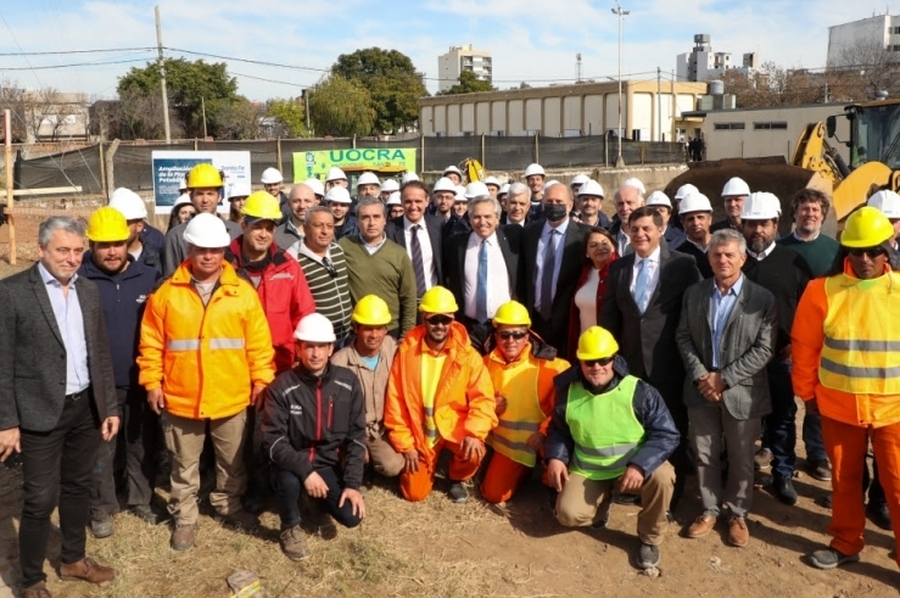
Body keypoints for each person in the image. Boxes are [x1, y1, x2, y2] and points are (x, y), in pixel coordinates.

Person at [138, 213, 275, 551]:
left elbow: (259, 342)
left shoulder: (241, 293)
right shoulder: (167, 294)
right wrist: (152, 383)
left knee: (232, 460)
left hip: (231, 394)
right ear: (189, 249)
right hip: (182, 396)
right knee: (183, 465)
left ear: (224, 251)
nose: (209, 256)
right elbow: (151, 342)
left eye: (215, 250)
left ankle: (229, 505)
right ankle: (185, 518)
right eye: (202, 249)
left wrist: (261, 380)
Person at [0, 216, 119, 598]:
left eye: (78, 251)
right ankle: (32, 578)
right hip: (38, 413)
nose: (71, 258)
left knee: (77, 487)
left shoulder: (87, 291)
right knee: (38, 499)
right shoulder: (13, 292)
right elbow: (2, 363)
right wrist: (7, 421)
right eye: (62, 250)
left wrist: (108, 406)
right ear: (40, 250)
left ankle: (72, 559)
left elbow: (98, 353)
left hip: (84, 408)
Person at [792, 206, 900, 570]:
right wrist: (808, 395)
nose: (866, 258)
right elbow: (805, 348)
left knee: (898, 486)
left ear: (889, 248)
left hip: (894, 410)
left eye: (874, 250)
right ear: (846, 252)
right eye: (857, 251)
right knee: (844, 480)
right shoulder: (821, 290)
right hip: (839, 408)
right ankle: (846, 542)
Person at [545, 326, 679, 570]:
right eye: (589, 361)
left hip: (632, 471)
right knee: (567, 515)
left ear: (614, 359)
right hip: (590, 472)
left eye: (603, 360)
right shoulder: (567, 392)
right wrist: (555, 457)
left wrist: (640, 465)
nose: (597, 367)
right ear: (581, 363)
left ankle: (649, 538)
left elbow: (666, 434)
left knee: (663, 475)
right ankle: (602, 505)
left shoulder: (640, 392)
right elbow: (558, 431)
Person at [676, 229, 777, 547]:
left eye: (730, 254)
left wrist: (725, 378)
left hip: (742, 391)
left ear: (743, 258)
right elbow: (683, 337)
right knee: (704, 453)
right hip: (701, 388)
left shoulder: (762, 299)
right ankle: (708, 509)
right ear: (708, 258)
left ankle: (737, 513)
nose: (723, 260)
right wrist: (701, 376)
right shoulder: (694, 294)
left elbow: (764, 349)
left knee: (741, 456)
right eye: (717, 254)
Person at [599, 206, 702, 512]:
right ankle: (635, 486)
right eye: (635, 229)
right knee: (633, 427)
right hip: (631, 365)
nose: (640, 234)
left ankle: (672, 496)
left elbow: (694, 311)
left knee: (672, 430)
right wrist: (609, 359)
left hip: (670, 365)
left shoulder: (683, 265)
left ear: (660, 230)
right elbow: (610, 316)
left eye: (646, 228)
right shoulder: (620, 268)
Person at [79, 208, 163, 538]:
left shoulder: (148, 277)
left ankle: (141, 498)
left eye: (117, 243)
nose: (112, 251)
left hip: (141, 378)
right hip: (97, 382)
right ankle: (102, 507)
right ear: (92, 245)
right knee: (102, 446)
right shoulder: (80, 280)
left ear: (128, 240)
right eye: (103, 245)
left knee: (141, 442)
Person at [261, 313, 366, 561]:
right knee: (289, 482)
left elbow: (356, 437)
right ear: (298, 348)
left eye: (321, 346)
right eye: (309, 346)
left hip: (326, 462)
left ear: (331, 348)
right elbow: (272, 440)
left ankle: (314, 501)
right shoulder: (281, 387)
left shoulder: (348, 382)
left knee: (352, 517)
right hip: (290, 462)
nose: (315, 353)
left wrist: (352, 485)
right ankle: (290, 526)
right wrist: (306, 471)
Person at [384, 286, 498, 503]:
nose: (439, 325)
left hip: (455, 427)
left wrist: (475, 433)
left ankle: (456, 477)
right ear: (424, 318)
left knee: (473, 452)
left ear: (453, 320)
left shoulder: (468, 355)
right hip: (421, 432)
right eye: (434, 319)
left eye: (445, 320)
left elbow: (483, 398)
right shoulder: (407, 353)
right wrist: (405, 444)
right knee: (413, 494)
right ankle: (430, 463)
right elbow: (395, 401)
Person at [740, 192, 812, 506]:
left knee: (783, 417)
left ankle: (783, 473)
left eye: (763, 224)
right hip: (740, 361)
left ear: (776, 223)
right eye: (751, 224)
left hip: (781, 358)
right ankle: (742, 474)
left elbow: (808, 310)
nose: (757, 230)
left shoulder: (794, 262)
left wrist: (797, 348)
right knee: (742, 419)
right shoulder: (733, 260)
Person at [776, 188, 839, 483]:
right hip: (788, 339)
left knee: (818, 398)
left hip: (825, 338)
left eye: (815, 209)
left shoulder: (835, 250)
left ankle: (817, 453)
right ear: (794, 214)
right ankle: (776, 451)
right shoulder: (781, 249)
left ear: (823, 215)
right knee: (784, 400)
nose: (809, 214)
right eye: (804, 209)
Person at [480, 301, 570, 504]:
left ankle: (543, 473)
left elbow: (565, 409)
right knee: (493, 495)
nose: (510, 340)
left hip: (544, 442)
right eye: (504, 334)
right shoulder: (484, 365)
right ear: (496, 336)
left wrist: (544, 432)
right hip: (509, 448)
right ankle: (523, 471)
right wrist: (490, 408)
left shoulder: (552, 367)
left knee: (560, 486)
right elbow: (471, 404)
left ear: (527, 336)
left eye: (518, 334)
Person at [226, 191, 315, 372]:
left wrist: (301, 356)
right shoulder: (223, 266)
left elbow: (304, 315)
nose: (264, 234)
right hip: (235, 368)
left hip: (279, 367)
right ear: (243, 225)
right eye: (258, 226)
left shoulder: (288, 266)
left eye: (269, 228)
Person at [331, 295, 405, 479]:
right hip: (352, 432)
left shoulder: (394, 349)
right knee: (351, 463)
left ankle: (372, 459)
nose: (374, 335)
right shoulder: (339, 362)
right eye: (368, 329)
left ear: (386, 329)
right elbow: (333, 413)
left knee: (393, 466)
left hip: (382, 429)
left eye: (379, 328)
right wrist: (350, 442)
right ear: (356, 328)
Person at [444, 194, 521, 352]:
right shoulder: (457, 244)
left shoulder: (513, 240)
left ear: (498, 218)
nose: (482, 222)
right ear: (470, 219)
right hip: (469, 327)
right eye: (477, 217)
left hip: (504, 326)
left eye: (488, 216)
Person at [521, 182, 591, 355]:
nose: (554, 206)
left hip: (567, 321)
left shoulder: (584, 236)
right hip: (534, 320)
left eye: (559, 202)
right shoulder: (529, 233)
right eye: (549, 201)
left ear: (570, 204)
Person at [339, 197, 417, 339]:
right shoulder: (344, 246)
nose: (371, 223)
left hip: (390, 330)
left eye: (376, 217)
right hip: (355, 330)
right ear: (357, 221)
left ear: (385, 220)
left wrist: (406, 335)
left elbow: (409, 298)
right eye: (365, 217)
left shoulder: (399, 254)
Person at [288, 206, 354, 346]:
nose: (325, 231)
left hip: (347, 335)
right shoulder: (294, 259)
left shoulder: (338, 250)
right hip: (319, 340)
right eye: (318, 226)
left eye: (329, 226)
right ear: (305, 228)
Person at [163, 163, 241, 276]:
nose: (205, 200)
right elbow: (170, 280)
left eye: (210, 193)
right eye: (199, 194)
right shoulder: (176, 236)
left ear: (219, 196)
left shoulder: (236, 232)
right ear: (191, 197)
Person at [386, 180, 444, 302]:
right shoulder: (390, 230)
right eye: (408, 202)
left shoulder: (439, 226)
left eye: (418, 201)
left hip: (434, 300)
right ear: (401, 202)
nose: (413, 207)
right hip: (404, 301)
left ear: (427, 201)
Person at [568, 227, 618, 358]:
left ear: (613, 246)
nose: (600, 248)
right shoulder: (584, 273)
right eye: (593, 245)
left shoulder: (620, 272)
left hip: (607, 349)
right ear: (586, 252)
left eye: (605, 243)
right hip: (584, 346)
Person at [108, 187, 162, 273]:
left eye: (124, 224)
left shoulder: (157, 257)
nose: (117, 229)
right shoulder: (98, 259)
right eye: (113, 223)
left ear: (139, 226)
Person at [674, 192, 714, 279]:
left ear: (710, 219)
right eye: (690, 219)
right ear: (683, 223)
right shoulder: (679, 256)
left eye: (700, 217)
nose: (696, 223)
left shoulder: (723, 248)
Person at [275, 183, 317, 251]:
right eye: (296, 201)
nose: (302, 206)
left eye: (307, 201)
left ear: (315, 204)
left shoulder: (325, 232)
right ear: (289, 204)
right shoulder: (276, 236)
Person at [611, 183, 644, 256]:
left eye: (630, 203)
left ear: (641, 205)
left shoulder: (650, 235)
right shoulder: (608, 236)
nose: (625, 208)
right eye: (620, 203)